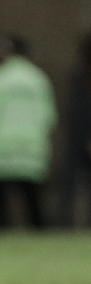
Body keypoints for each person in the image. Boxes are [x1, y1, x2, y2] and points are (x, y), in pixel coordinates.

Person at [0, 36, 56, 228]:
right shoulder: (38, 79)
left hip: (1, 149)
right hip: (32, 149)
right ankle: (41, 245)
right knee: (34, 205)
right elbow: (49, 117)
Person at [60, 34, 91, 227]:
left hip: (79, 138)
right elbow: (77, 110)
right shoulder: (78, 77)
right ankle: (62, 225)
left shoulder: (77, 77)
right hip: (76, 139)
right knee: (68, 186)